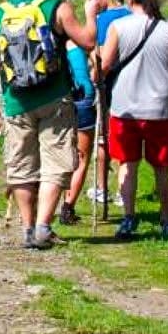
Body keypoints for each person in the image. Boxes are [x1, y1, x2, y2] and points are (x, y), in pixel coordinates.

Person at [0, 0, 98, 248]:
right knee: (56, 161)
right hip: (54, 96)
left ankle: (27, 229)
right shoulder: (55, 7)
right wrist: (91, 13)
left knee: (21, 165)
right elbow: (87, 41)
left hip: (15, 100)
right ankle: (44, 228)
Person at [100, 0, 168, 241]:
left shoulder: (118, 27)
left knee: (127, 164)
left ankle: (129, 217)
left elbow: (104, 65)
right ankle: (166, 220)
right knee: (162, 167)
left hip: (125, 108)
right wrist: (167, 69)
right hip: (159, 109)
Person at [90, 0, 130, 208]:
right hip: (131, 85)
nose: (94, 4)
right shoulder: (130, 14)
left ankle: (102, 190)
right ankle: (123, 192)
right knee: (124, 138)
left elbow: (99, 55)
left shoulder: (101, 21)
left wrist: (95, 76)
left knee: (104, 139)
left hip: (108, 84)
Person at [58, 36, 97, 225]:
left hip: (59, 101)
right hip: (84, 97)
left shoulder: (49, 45)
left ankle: (44, 209)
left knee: (58, 156)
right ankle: (67, 208)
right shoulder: (81, 42)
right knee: (81, 158)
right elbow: (98, 67)